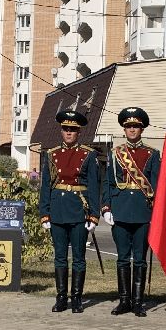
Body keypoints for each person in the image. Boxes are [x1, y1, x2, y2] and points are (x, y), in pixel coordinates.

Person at [39, 108, 100, 314]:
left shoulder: (88, 155)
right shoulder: (51, 154)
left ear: (79, 132)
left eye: (72, 130)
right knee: (60, 257)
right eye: (65, 129)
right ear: (61, 130)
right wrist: (44, 212)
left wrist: (94, 214)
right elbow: (45, 185)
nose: (68, 133)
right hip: (57, 210)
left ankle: (77, 299)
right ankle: (61, 298)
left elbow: (93, 185)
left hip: (78, 211)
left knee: (80, 257)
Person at [101, 107, 160, 318]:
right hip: (121, 210)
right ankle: (124, 300)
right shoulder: (115, 153)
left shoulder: (153, 154)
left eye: (135, 126)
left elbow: (157, 184)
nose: (132, 130)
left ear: (142, 129)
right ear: (124, 129)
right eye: (128, 126)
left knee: (140, 259)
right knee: (122, 258)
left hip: (144, 212)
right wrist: (106, 207)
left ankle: (138, 302)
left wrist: (157, 212)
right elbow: (108, 182)